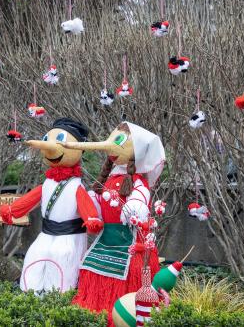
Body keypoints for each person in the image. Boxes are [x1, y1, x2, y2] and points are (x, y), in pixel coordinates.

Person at [60, 121, 166, 324]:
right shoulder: (108, 179)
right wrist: (92, 205)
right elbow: (100, 206)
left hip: (131, 240)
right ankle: (93, 308)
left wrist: (135, 206)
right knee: (90, 267)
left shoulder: (138, 182)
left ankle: (123, 314)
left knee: (129, 275)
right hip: (105, 238)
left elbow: (140, 202)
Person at [0, 118, 103, 293]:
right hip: (46, 234)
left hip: (68, 237)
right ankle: (30, 294)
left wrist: (92, 219)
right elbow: (31, 199)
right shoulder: (47, 184)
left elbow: (85, 205)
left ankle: (57, 299)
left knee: (62, 264)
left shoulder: (75, 186)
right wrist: (13, 210)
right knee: (34, 257)